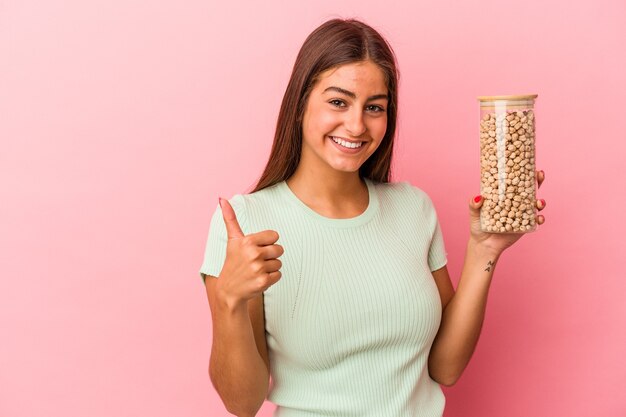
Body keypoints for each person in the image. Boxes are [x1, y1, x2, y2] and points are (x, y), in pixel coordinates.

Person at [199, 17, 547, 417]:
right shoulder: (246, 224)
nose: (356, 124)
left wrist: (485, 249)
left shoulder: (413, 208)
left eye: (374, 107)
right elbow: (241, 404)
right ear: (299, 105)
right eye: (338, 102)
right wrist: (229, 299)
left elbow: (445, 368)